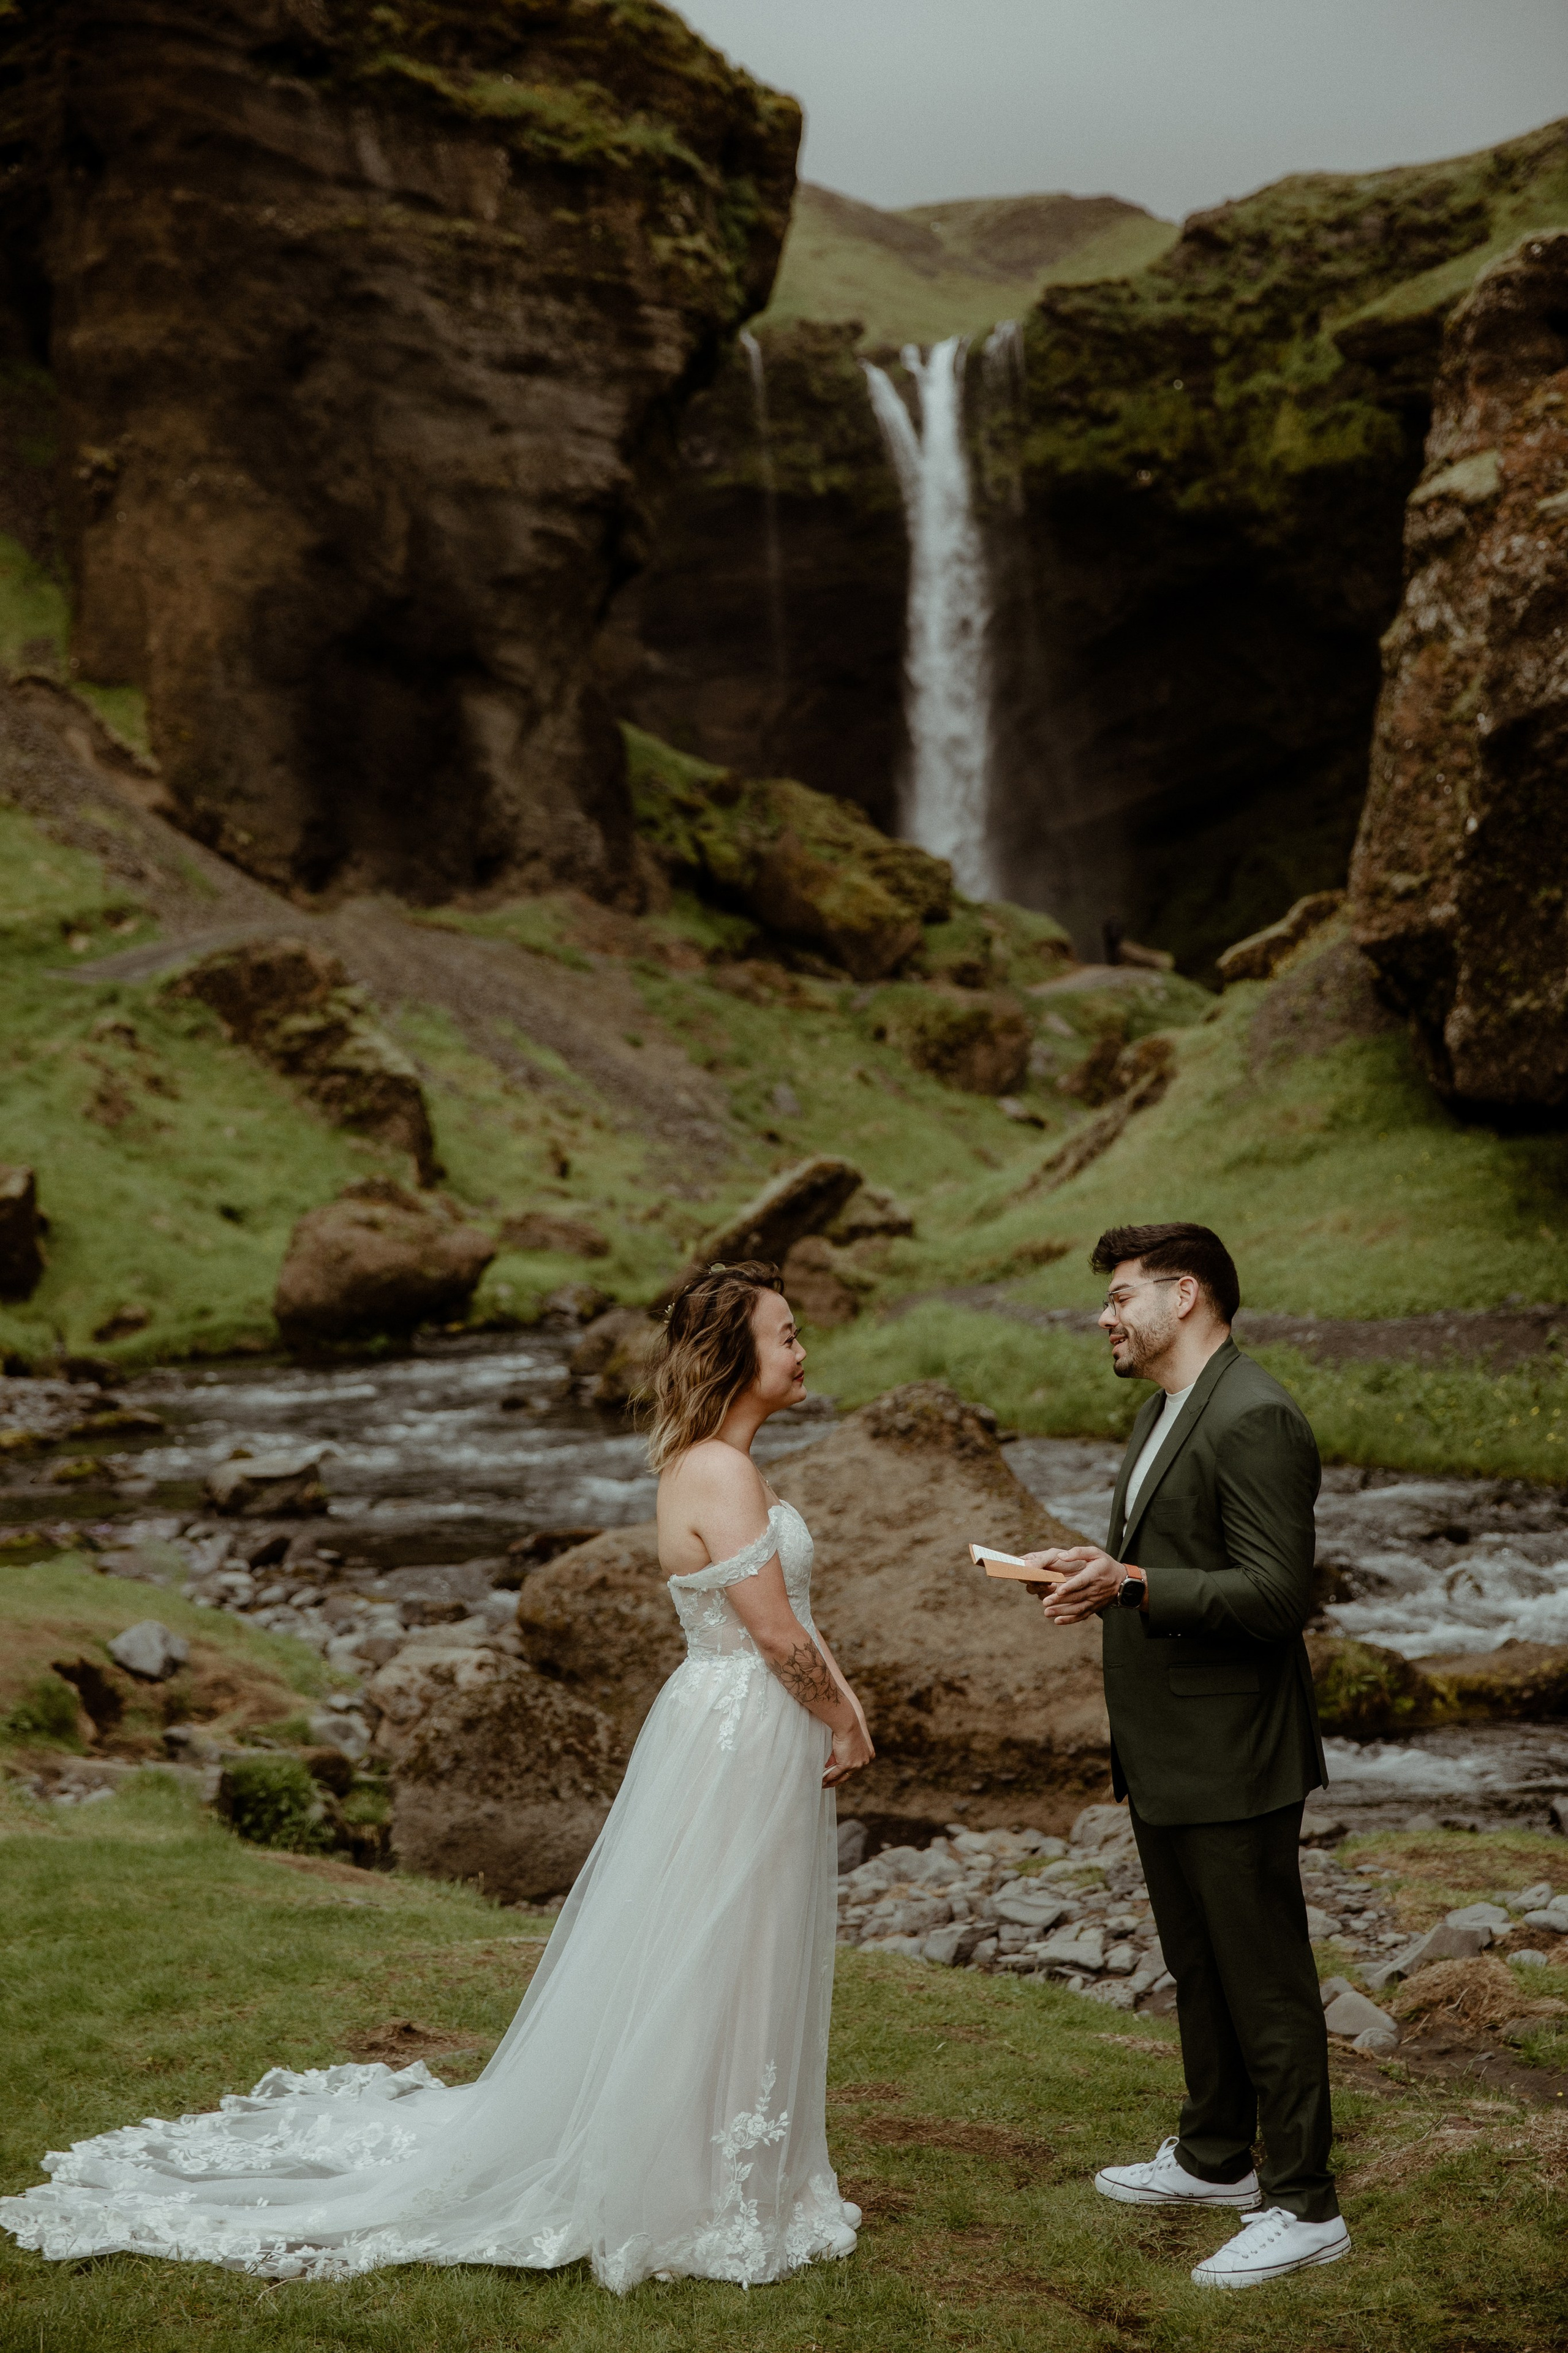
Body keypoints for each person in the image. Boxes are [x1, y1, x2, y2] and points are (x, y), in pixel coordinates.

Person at [0, 1261, 873, 2294]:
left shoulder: (720, 1462)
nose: (802, 1347)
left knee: (736, 1937)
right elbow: (774, 1634)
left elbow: (787, 1620)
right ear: (737, 1355)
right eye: (786, 1332)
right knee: (724, 1938)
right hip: (740, 1722)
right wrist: (846, 1720)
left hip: (743, 1717)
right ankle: (694, 2183)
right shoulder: (721, 1474)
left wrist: (839, 1699)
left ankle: (728, 2162)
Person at [1021, 1222, 1349, 2289]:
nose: (1106, 1317)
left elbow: (1276, 1595)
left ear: (1187, 1293)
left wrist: (1134, 1583)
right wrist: (1098, 1566)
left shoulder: (1255, 1415)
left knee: (1265, 1977)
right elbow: (1163, 1560)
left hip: (1236, 1750)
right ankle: (1215, 2156)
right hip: (1168, 1747)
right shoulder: (1165, 1409)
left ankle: (1304, 2203)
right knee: (1200, 1965)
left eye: (1121, 1296)